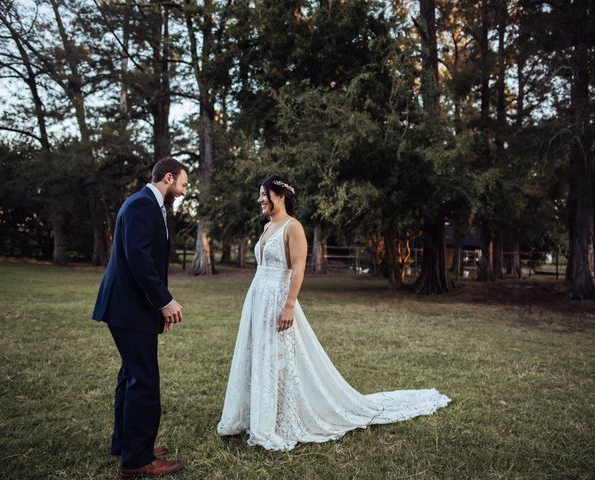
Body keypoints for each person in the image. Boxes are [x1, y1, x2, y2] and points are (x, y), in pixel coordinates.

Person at [217, 175, 451, 451]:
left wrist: (289, 305)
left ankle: (277, 419)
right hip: (258, 298)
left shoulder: (293, 227)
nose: (259, 199)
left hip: (279, 299)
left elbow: (299, 268)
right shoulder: (268, 226)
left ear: (279, 196)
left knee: (280, 358)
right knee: (260, 354)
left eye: (263, 194)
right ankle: (257, 414)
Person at [92, 157, 188, 477]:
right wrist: (165, 302)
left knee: (131, 376)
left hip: (129, 308)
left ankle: (128, 444)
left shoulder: (147, 204)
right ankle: (136, 461)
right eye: (183, 185)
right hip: (128, 308)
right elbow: (138, 259)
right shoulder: (141, 205)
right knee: (144, 381)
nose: (184, 192)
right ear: (169, 178)